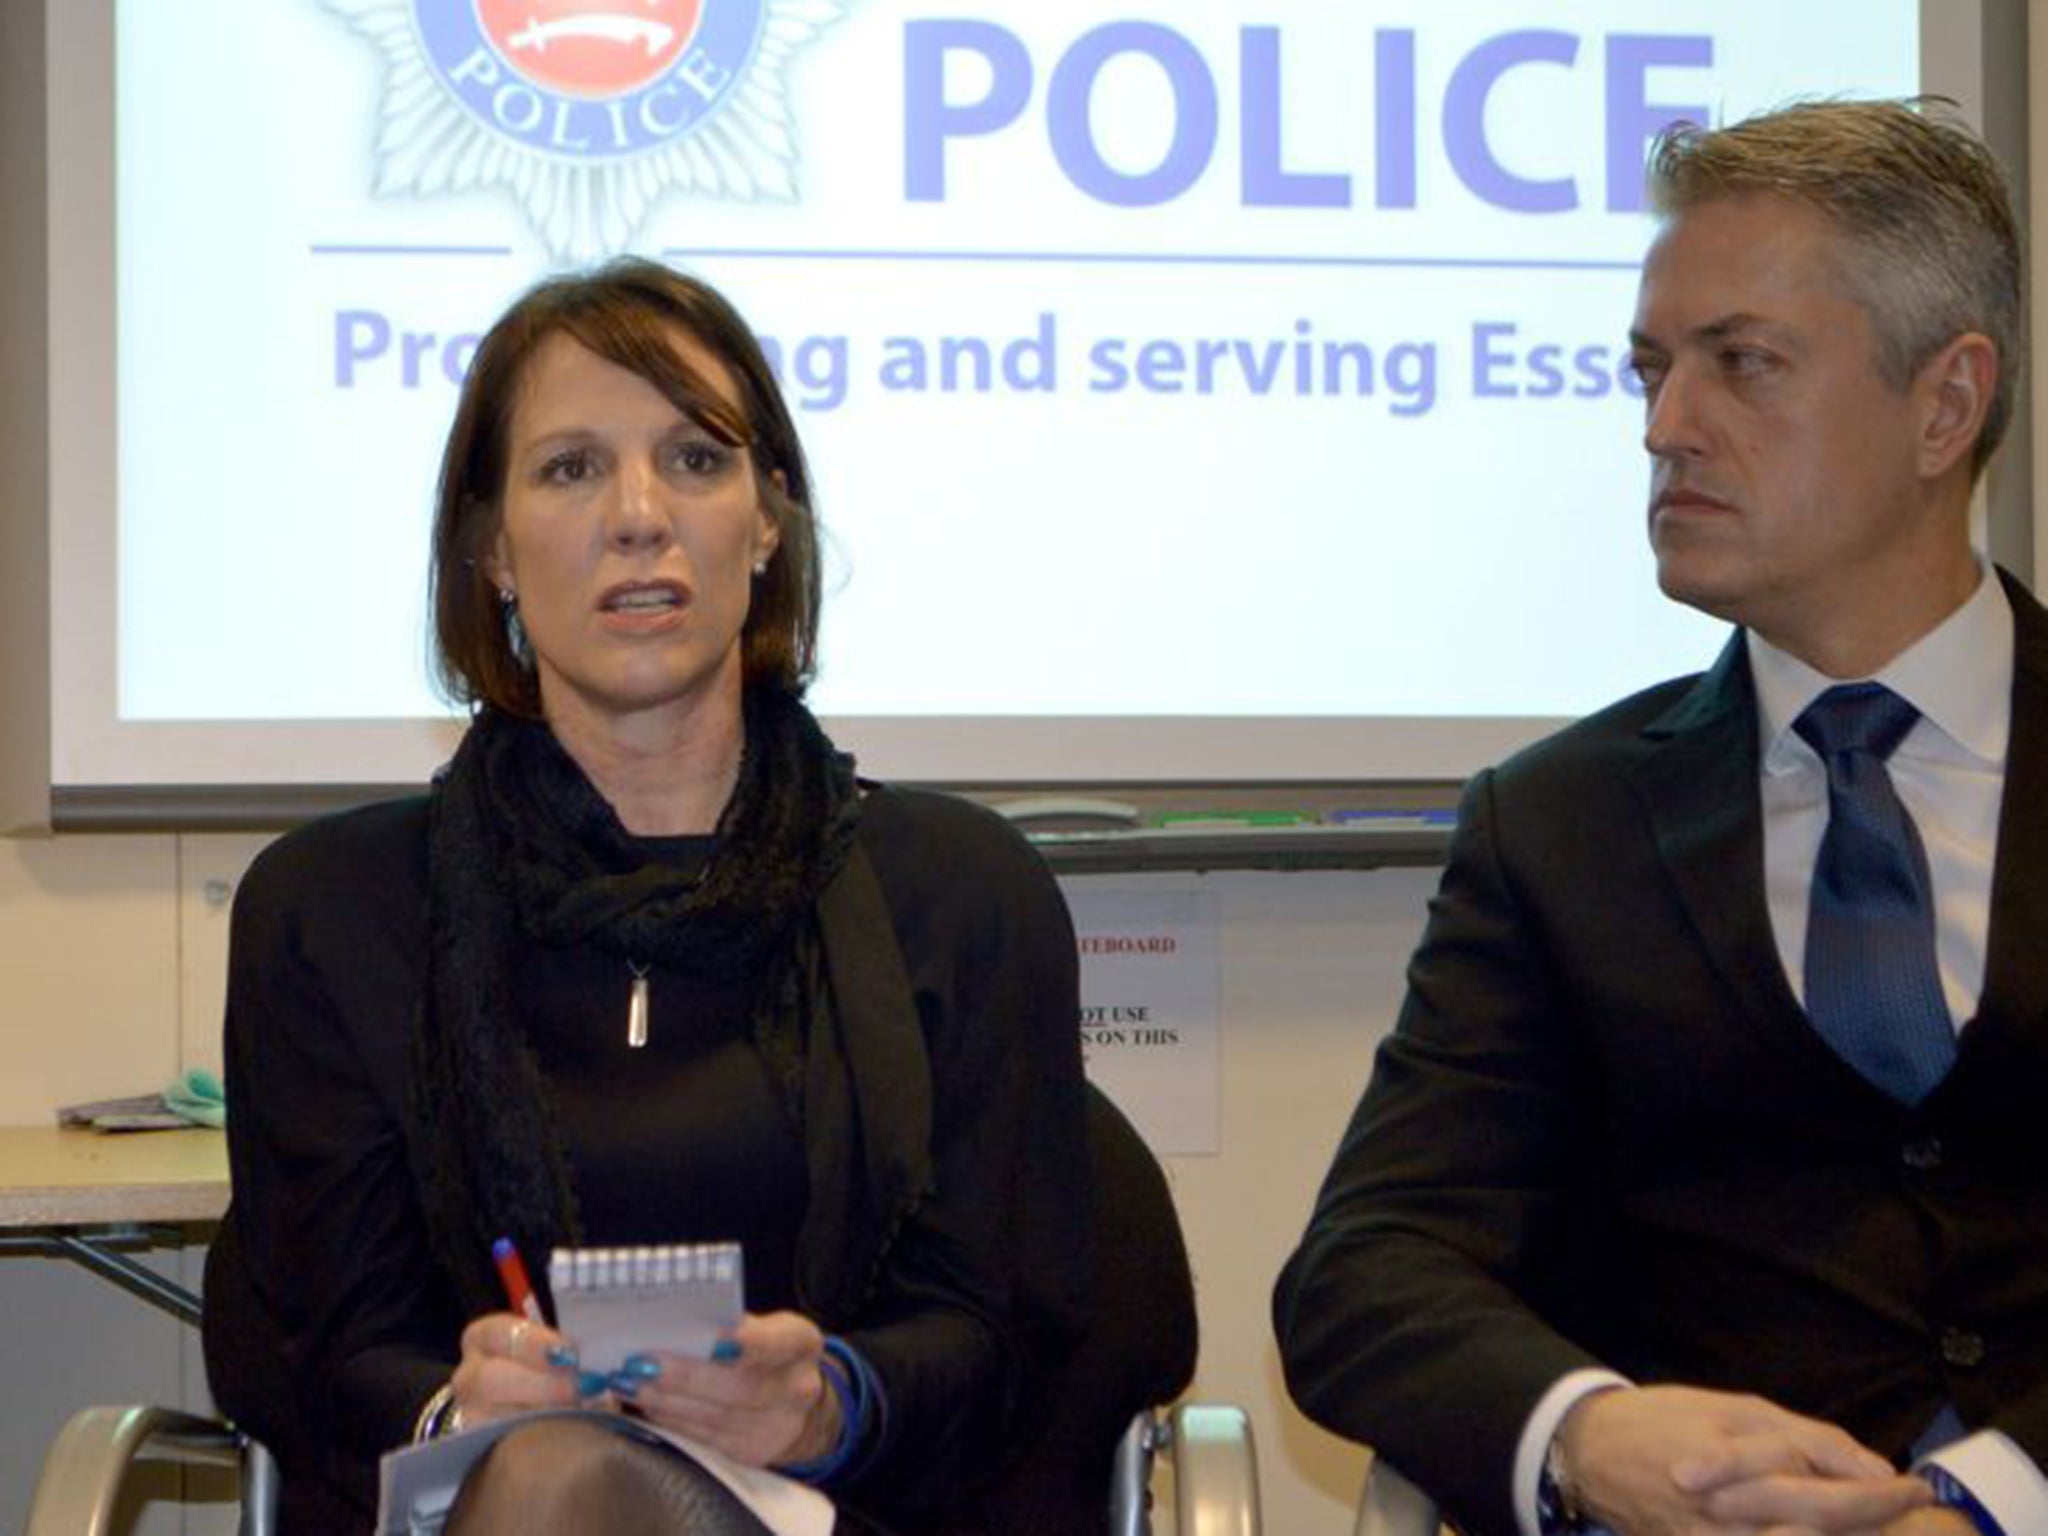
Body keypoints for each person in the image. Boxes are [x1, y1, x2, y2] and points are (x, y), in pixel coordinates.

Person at [202, 257, 1094, 1535]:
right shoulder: (333, 911)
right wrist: (466, 1416)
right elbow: (311, 1347)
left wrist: (832, 1401)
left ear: (769, 520)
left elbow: (1014, 1333)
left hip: (853, 1513)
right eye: (570, 468)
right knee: (547, 1480)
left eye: (693, 459)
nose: (637, 514)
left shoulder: (958, 893)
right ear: (491, 551)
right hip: (468, 1516)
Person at [1273, 99, 2048, 1536]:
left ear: (1945, 404)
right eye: (1652, 368)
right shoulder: (1559, 826)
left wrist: (1993, 1498)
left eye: (1742, 365)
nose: (1665, 426)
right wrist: (1591, 1432)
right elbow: (1366, 1271)